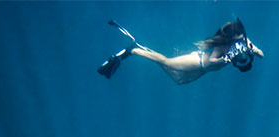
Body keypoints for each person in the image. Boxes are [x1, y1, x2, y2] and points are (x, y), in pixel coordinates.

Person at [97, 19, 264, 85]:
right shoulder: (223, 47)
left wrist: (254, 50)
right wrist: (224, 60)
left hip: (203, 69)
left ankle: (142, 50)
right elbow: (213, 60)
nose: (241, 39)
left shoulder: (245, 42)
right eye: (238, 37)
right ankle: (134, 50)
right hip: (198, 62)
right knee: (168, 62)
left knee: (179, 81)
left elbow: (261, 55)